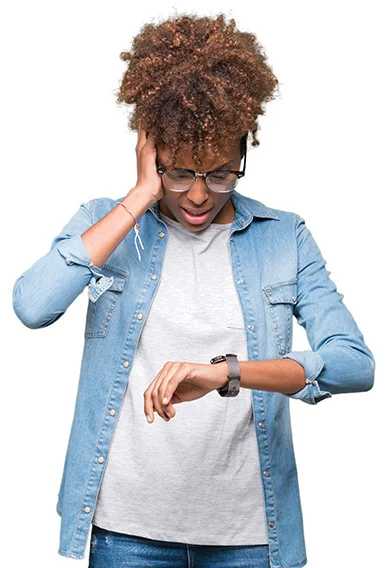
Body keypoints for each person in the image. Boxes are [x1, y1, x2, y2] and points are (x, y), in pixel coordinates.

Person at [12, 13, 375, 568]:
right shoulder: (107, 227)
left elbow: (353, 365)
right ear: (153, 155)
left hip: (249, 535)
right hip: (127, 530)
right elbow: (32, 306)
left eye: (222, 173)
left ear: (243, 153)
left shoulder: (284, 238)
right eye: (180, 172)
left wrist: (228, 372)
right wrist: (138, 196)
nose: (200, 194)